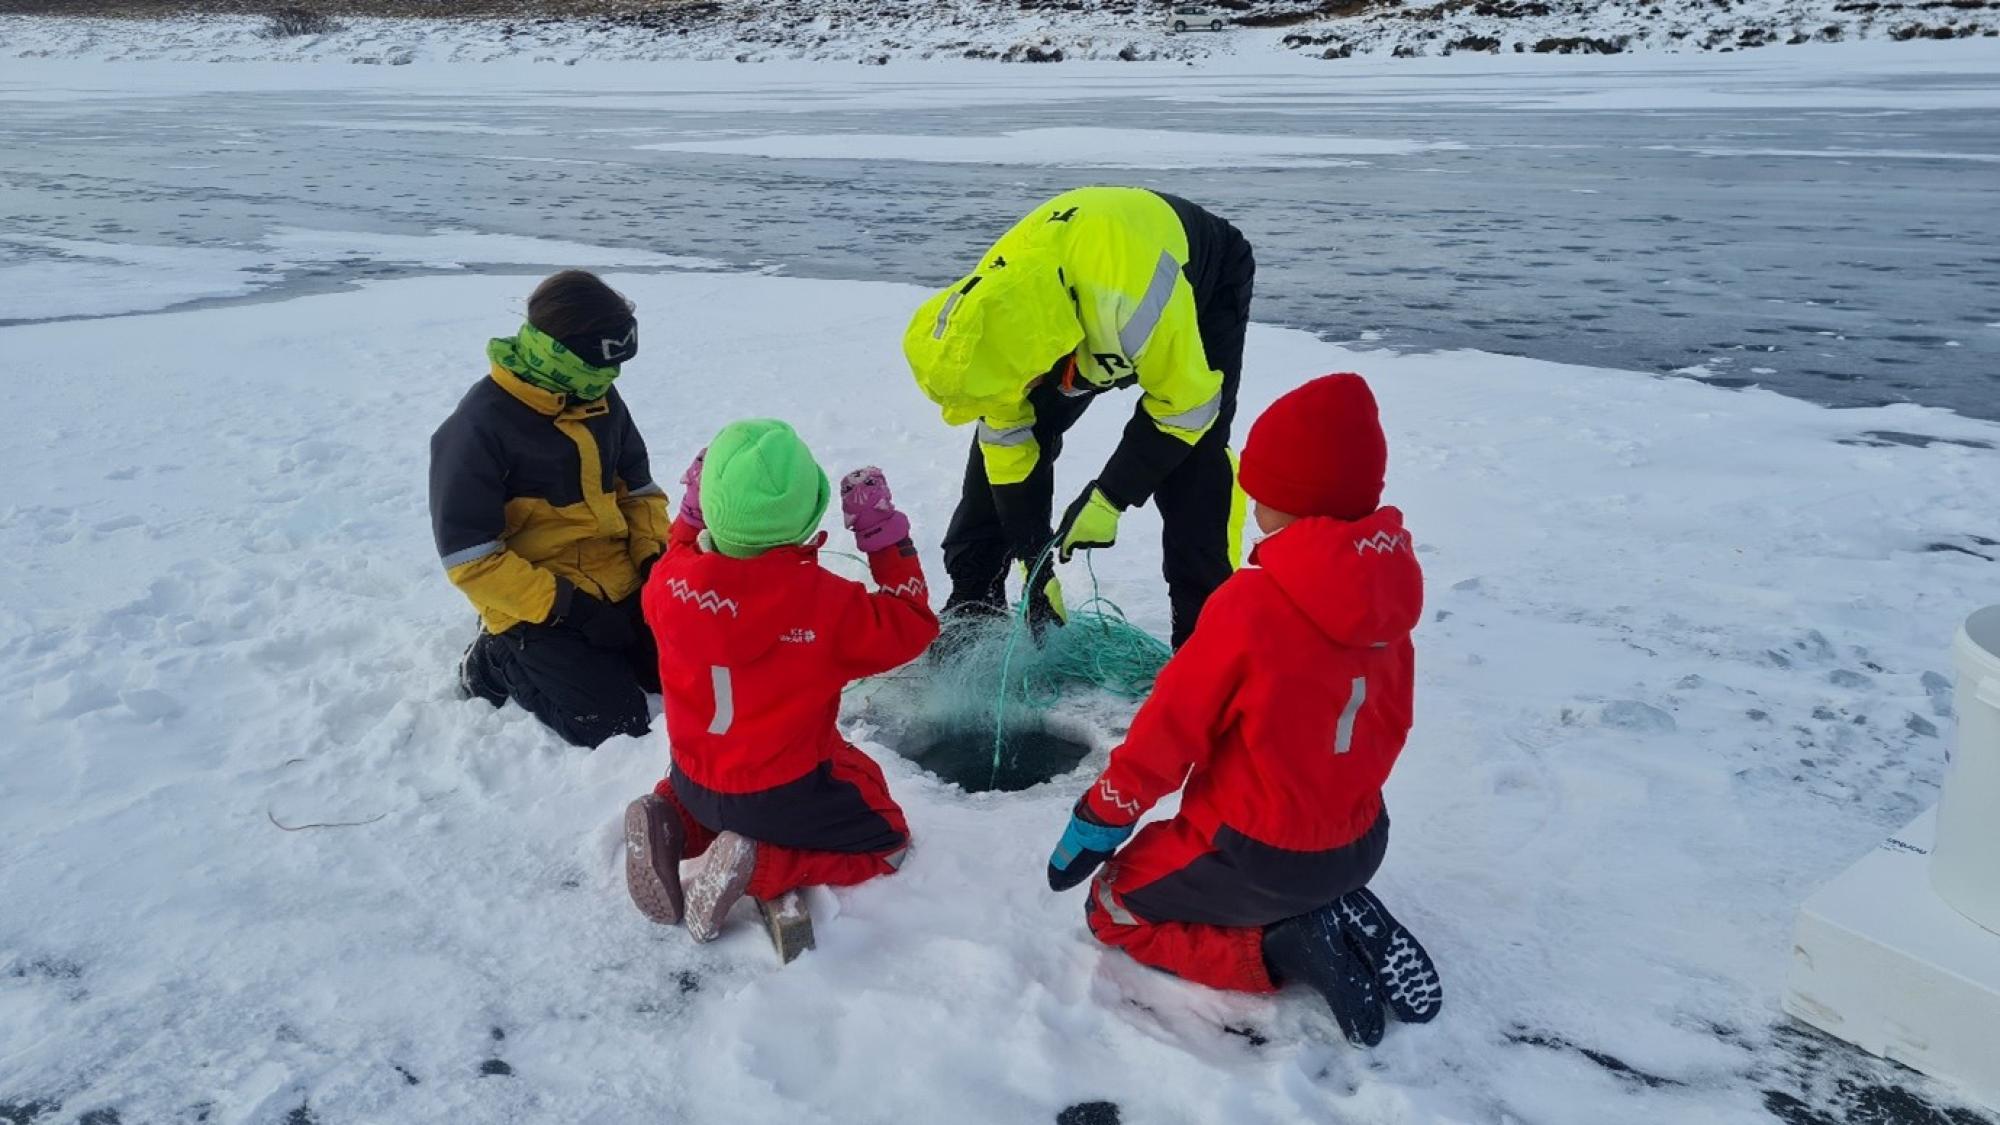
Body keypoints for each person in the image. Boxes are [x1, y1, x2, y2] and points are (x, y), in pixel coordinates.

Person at [1042, 374, 1443, 1046]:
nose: (1252, 504)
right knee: (1295, 870)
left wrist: (1101, 816)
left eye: (1263, 493)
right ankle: (1325, 900)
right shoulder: (1389, 605)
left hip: (1254, 852)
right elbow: (1390, 727)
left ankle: (1281, 949)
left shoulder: (1251, 605)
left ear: (1292, 502)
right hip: (1362, 841)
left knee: (1112, 906)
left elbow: (1167, 735)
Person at [623, 420, 938, 942]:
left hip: (691, 776)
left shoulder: (667, 581)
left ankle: (673, 820)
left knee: (713, 792)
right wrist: (884, 537)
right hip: (784, 792)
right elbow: (912, 622)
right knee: (889, 842)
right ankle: (758, 863)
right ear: (806, 517)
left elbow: (681, 540)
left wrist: (693, 507)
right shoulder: (825, 606)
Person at [902, 186, 1255, 648]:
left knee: (1195, 462)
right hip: (1074, 290)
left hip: (1196, 271)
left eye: (1020, 384)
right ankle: (973, 604)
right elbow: (1008, 446)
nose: (1014, 397)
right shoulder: (986, 332)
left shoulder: (1133, 308)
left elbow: (1189, 406)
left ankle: (1203, 641)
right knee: (1001, 450)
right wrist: (1033, 560)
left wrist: (1111, 496)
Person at [430, 270, 668, 748]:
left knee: (689, 674)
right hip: (537, 599)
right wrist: (571, 608)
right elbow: (471, 560)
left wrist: (653, 561)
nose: (612, 379)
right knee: (613, 723)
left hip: (616, 576)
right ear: (560, 352)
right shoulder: (477, 429)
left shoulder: (599, 398)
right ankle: (496, 659)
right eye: (602, 366)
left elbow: (640, 492)